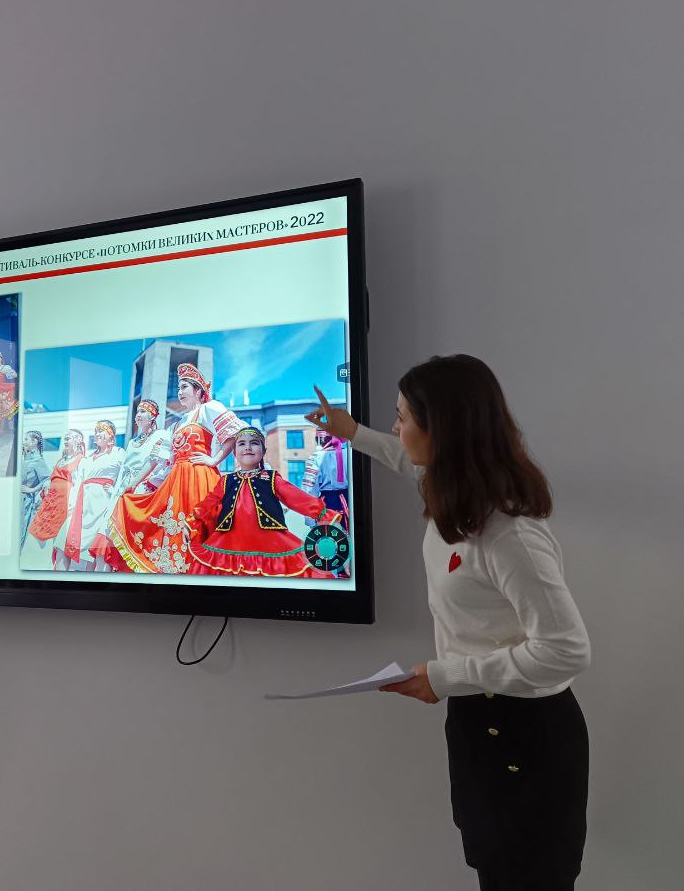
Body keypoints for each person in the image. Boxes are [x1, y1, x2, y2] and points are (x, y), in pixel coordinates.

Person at [306, 355, 591, 890]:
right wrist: (351, 432)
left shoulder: (509, 535)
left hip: (523, 731)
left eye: (403, 417)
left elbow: (565, 650)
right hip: (477, 717)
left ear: (442, 429)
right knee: (494, 866)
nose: (396, 428)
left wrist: (444, 676)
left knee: (527, 875)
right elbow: (404, 460)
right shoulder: (455, 491)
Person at [96, 363, 245, 575]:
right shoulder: (177, 424)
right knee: (172, 530)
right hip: (177, 481)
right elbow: (157, 460)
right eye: (179, 387)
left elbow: (235, 432)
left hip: (199, 478)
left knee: (198, 529)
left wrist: (214, 460)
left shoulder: (207, 409)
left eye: (184, 387)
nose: (180, 392)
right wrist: (134, 484)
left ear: (198, 391)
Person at [184, 426, 341, 578]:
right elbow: (208, 504)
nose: (248, 447)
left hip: (271, 543)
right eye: (242, 444)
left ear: (264, 451)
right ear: (234, 453)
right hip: (227, 543)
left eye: (254, 443)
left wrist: (324, 514)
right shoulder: (225, 481)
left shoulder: (271, 479)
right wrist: (191, 523)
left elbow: (298, 498)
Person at [55, 420, 123, 572]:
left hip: (103, 506)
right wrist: (71, 506)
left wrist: (115, 490)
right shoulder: (87, 459)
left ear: (111, 435)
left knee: (96, 550)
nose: (97, 434)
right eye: (96, 431)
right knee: (62, 541)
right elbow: (77, 483)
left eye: (101, 431)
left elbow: (125, 476)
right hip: (82, 505)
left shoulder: (119, 453)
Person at [28, 429, 85, 546]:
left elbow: (79, 484)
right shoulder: (61, 460)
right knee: (37, 534)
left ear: (77, 441)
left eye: (68, 438)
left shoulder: (81, 460)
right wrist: (47, 485)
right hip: (50, 501)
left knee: (58, 538)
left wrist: (73, 506)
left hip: (64, 503)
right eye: (65, 438)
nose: (65, 441)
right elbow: (50, 478)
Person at [110, 399, 172, 497]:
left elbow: (158, 463)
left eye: (143, 411)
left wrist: (134, 483)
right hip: (124, 486)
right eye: (137, 412)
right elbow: (123, 469)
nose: (138, 415)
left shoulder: (161, 435)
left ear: (152, 415)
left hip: (145, 486)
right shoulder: (132, 442)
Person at [305, 430, 350, 532]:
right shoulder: (348, 454)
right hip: (349, 502)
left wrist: (310, 520)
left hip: (326, 504)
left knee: (328, 537)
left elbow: (309, 489)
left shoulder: (316, 457)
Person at [19, 431, 48, 549]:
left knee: (19, 532)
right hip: (14, 498)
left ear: (34, 441)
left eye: (26, 439)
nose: (23, 442)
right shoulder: (23, 458)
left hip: (24, 501)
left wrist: (32, 490)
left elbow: (47, 479)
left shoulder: (38, 460)